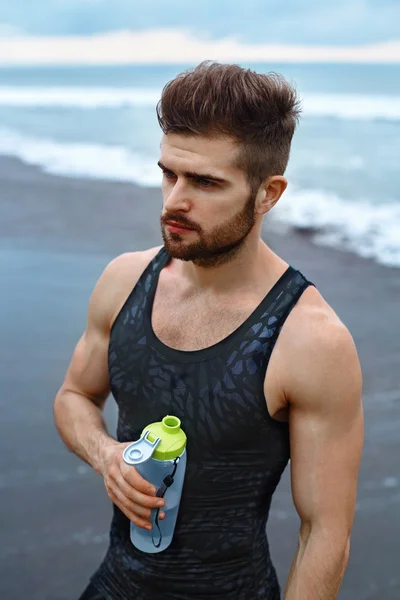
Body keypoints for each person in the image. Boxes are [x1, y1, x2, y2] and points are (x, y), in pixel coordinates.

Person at [53, 61, 364, 600]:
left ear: (268, 194)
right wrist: (107, 455)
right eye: (168, 173)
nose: (174, 200)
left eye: (204, 182)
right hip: (113, 586)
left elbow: (324, 534)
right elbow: (75, 396)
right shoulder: (125, 280)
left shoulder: (310, 339)